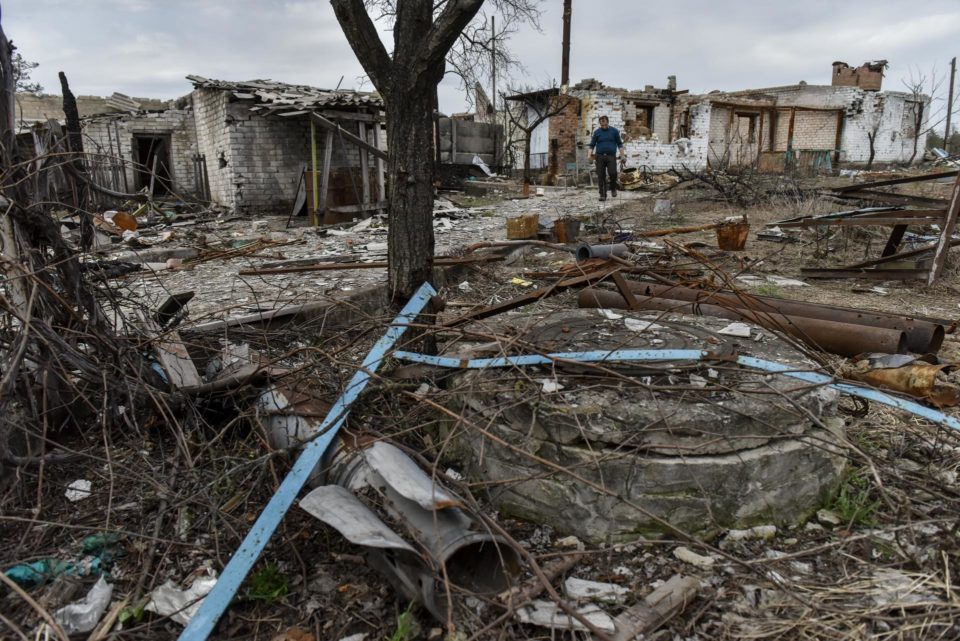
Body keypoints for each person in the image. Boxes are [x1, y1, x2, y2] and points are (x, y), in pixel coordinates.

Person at [588, 115, 625, 201]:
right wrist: (589, 156)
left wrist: (622, 155)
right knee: (601, 176)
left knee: (613, 173)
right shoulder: (597, 132)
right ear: (600, 124)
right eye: (601, 124)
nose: (603, 126)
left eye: (604, 124)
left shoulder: (614, 131)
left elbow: (620, 144)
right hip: (599, 156)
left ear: (607, 122)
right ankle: (603, 195)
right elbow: (591, 145)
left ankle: (613, 188)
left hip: (611, 156)